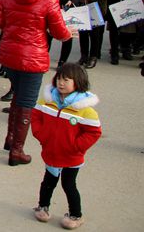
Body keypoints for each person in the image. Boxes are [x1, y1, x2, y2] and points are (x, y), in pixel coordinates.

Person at [0, 0, 72, 167]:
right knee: (27, 103)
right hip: (33, 56)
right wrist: (68, 33)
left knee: (17, 97)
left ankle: (11, 138)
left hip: (10, 53)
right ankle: (17, 150)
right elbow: (58, 31)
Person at [31, 63, 101, 230]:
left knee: (69, 184)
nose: (61, 83)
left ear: (78, 82)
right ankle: (42, 207)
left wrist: (76, 146)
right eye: (59, 79)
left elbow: (94, 132)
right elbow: (35, 116)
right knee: (48, 181)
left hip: (72, 156)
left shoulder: (85, 110)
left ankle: (76, 215)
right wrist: (41, 135)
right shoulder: (47, 101)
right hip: (51, 151)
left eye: (66, 80)